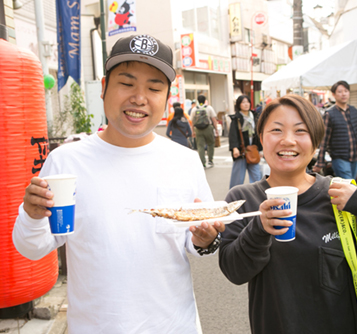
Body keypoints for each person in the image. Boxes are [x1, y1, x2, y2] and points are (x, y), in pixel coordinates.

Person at [13, 34, 225, 334]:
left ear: (167, 99)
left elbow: (198, 242)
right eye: (126, 84)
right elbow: (33, 248)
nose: (139, 98)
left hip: (174, 326)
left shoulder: (185, 161)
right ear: (103, 88)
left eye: (153, 88)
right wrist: (32, 216)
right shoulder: (67, 162)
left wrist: (205, 240)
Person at [219, 94, 357, 334]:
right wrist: (259, 229)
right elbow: (235, 272)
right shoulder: (242, 199)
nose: (288, 140)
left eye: (300, 131)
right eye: (276, 130)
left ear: (316, 144)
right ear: (261, 139)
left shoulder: (340, 194)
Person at [312, 80, 357, 179]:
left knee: (351, 184)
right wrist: (320, 161)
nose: (343, 94)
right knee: (349, 184)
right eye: (340, 91)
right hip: (339, 158)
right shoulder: (329, 114)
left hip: (355, 157)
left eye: (346, 91)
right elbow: (324, 139)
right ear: (334, 94)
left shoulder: (354, 111)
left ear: (349, 93)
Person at [228, 94, 262, 189]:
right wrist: (235, 148)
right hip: (241, 151)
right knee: (238, 179)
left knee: (257, 176)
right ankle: (233, 197)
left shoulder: (254, 116)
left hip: (253, 150)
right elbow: (233, 134)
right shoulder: (236, 118)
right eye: (243, 102)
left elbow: (258, 134)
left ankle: (257, 195)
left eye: (247, 102)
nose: (246, 104)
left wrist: (260, 149)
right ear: (239, 104)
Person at [190, 95, 219, 168]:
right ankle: (210, 160)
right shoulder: (209, 108)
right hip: (208, 128)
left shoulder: (194, 109)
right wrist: (216, 130)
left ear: (198, 101)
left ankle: (202, 162)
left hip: (198, 129)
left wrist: (193, 131)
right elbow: (214, 120)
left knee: (200, 146)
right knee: (210, 144)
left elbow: (192, 121)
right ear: (205, 100)